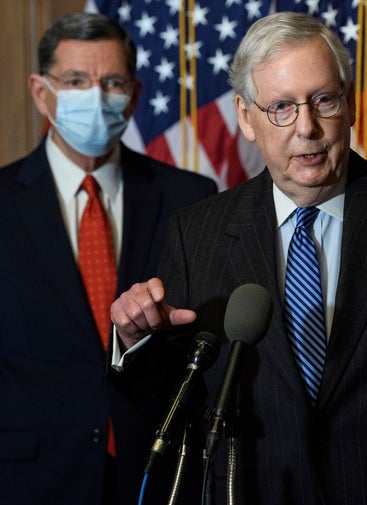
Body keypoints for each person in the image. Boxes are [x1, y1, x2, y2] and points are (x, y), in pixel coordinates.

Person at [110, 11, 367, 505]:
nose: (306, 127)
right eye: (281, 107)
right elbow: (172, 408)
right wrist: (134, 343)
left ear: (348, 106)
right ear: (246, 117)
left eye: (323, 100)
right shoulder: (196, 233)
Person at [0, 12, 217, 505]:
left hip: (157, 472)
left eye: (112, 82)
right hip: (26, 479)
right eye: (76, 81)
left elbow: (202, 349)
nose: (95, 97)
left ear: (135, 94)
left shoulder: (191, 197)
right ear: (41, 92)